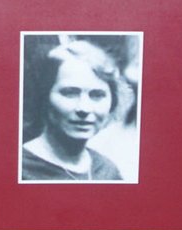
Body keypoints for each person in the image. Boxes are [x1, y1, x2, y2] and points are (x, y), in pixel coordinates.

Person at [22, 37, 123, 181]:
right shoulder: (21, 167)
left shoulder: (108, 171)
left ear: (112, 102)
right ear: (44, 97)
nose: (84, 108)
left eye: (97, 95)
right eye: (70, 93)